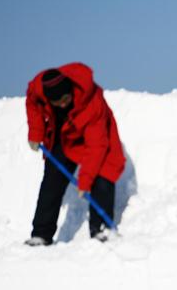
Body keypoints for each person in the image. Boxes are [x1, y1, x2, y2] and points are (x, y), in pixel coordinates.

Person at [24, 63, 125, 245]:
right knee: (52, 181)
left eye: (66, 99)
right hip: (66, 135)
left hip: (99, 138)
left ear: (70, 90)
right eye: (58, 103)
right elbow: (33, 104)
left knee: (103, 175)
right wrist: (36, 133)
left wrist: (85, 181)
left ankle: (100, 230)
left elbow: (97, 145)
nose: (63, 104)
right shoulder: (38, 89)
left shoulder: (92, 101)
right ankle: (41, 234)